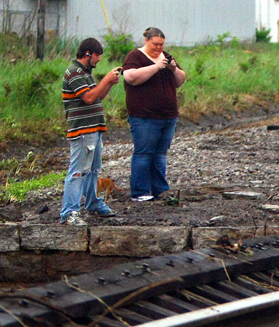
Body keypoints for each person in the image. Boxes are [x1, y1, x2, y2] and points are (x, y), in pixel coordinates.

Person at [122, 27, 187, 202]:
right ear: (146, 41)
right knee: (143, 154)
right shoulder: (135, 57)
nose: (159, 48)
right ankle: (140, 192)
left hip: (168, 116)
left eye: (161, 44)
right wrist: (156, 67)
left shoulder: (166, 56)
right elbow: (130, 77)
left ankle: (160, 190)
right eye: (155, 44)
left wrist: (173, 69)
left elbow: (180, 80)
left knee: (160, 155)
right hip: (144, 116)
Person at [60, 37, 121, 225]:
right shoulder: (74, 73)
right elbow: (88, 98)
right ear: (88, 53)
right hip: (82, 131)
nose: (99, 60)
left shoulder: (86, 73)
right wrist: (105, 80)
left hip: (94, 129)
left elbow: (97, 97)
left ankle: (93, 203)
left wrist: (109, 83)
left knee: (93, 170)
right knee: (78, 171)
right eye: (97, 56)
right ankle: (69, 212)